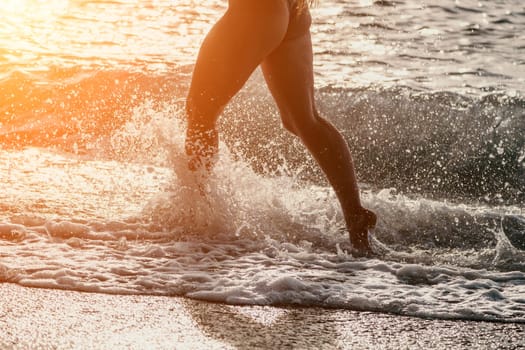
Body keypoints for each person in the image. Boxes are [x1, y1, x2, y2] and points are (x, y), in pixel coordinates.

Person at [184, 0, 377, 255]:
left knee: (201, 112)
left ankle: (198, 216)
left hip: (255, 10)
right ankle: (355, 215)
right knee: (303, 120)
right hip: (291, 9)